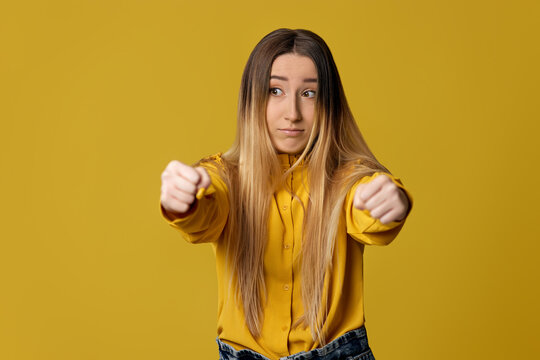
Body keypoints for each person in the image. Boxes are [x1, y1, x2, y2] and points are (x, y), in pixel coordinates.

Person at [159, 28, 412, 360]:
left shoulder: (348, 179)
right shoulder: (225, 176)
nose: (292, 112)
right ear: (252, 99)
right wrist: (183, 201)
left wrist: (393, 202)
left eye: (309, 94)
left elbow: (367, 208)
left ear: (328, 104)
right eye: (275, 90)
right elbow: (206, 210)